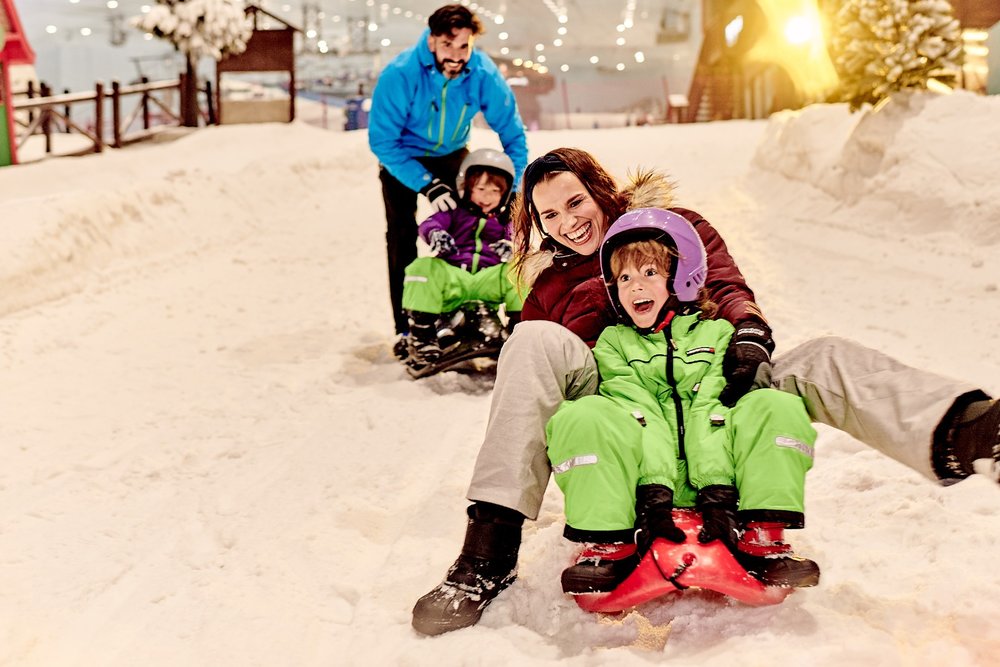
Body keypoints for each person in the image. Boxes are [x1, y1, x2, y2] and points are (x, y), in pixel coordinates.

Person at [410, 147, 1000, 637]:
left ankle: (969, 430)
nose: (568, 221)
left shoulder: (674, 227)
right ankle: (486, 553)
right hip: (618, 396)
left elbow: (725, 283)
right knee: (534, 340)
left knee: (821, 358)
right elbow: (544, 379)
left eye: (575, 201)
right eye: (549, 214)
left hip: (710, 373)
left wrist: (747, 330)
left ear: (600, 190)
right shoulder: (550, 283)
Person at [546, 208, 818, 595]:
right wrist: (655, 495)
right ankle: (608, 542)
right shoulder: (614, 343)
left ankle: (763, 534)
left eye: (649, 273)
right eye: (624, 278)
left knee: (776, 406)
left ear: (683, 277)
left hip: (722, 484)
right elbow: (640, 411)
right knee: (585, 415)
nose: (635, 286)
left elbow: (711, 411)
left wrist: (718, 495)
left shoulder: (719, 334)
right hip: (643, 493)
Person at [367, 4, 528, 358]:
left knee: (469, 224)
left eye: (463, 47)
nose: (456, 56)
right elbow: (382, 141)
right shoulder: (401, 74)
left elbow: (514, 134)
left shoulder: (482, 73)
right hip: (402, 157)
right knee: (402, 236)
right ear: (432, 40)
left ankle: (464, 312)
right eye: (447, 46)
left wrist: (512, 193)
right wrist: (426, 184)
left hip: (452, 153)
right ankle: (407, 327)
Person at [401, 148, 523, 366]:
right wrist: (436, 234)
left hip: (487, 282)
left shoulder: (504, 220)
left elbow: (519, 236)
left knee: (520, 270)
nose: (487, 197)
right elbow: (430, 224)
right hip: (454, 280)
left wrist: (511, 246)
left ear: (504, 194)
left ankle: (519, 333)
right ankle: (422, 335)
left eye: (495, 191)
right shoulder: (454, 211)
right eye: (481, 188)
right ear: (466, 186)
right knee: (422, 267)